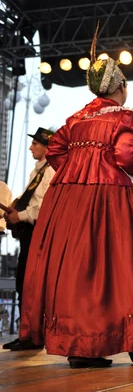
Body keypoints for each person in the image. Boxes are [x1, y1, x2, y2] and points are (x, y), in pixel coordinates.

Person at [17, 41, 133, 368]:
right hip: (109, 197)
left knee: (77, 269)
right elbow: (127, 155)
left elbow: (56, 151)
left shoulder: (76, 119)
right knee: (120, 266)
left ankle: (80, 346)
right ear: (121, 86)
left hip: (68, 200)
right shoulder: (123, 116)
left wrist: (76, 171)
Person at [2, 128, 55, 352]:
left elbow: (43, 206)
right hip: (29, 234)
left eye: (35, 143)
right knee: (23, 282)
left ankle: (32, 335)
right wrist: (15, 210)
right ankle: (27, 334)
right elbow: (30, 202)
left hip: (38, 235)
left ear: (47, 147)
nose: (31, 147)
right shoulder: (38, 172)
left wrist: (20, 215)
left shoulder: (50, 171)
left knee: (30, 283)